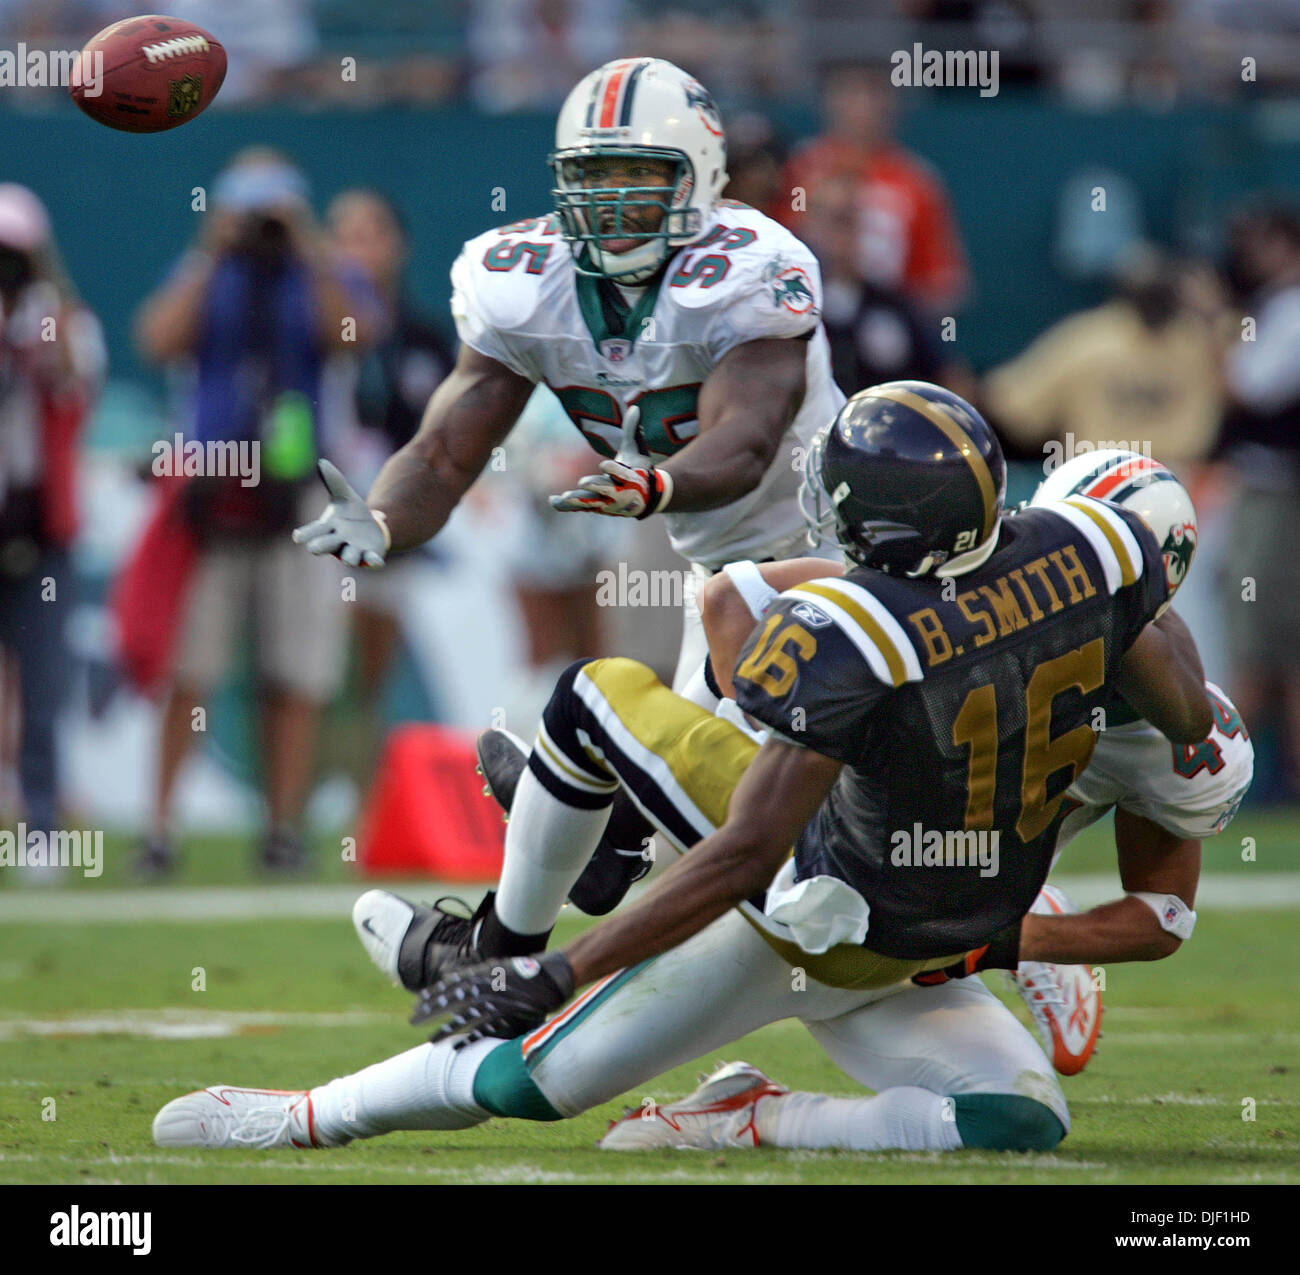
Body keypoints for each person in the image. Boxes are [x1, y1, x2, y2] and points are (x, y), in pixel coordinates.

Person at [153, 383, 1216, 1154]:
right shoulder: (1093, 561)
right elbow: (1155, 648)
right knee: (542, 1084)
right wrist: (1190, 739)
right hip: (865, 916)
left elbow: (750, 845)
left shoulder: (861, 626)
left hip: (851, 922)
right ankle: (325, 1094)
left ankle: (727, 1104)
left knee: (1015, 1119)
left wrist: (563, 969)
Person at [294, 56, 845, 696]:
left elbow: (748, 440)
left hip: (826, 550)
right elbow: (443, 454)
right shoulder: (525, 281)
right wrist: (384, 518)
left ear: (699, 176)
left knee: (762, 771)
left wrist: (658, 484)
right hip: (711, 563)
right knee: (659, 755)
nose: (612, 199)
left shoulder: (752, 266)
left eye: (639, 174)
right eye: (594, 175)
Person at [133, 149, 378, 875]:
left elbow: (354, 335)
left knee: (293, 670)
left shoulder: (319, 272)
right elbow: (156, 338)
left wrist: (311, 250)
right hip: (213, 487)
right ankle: (159, 828)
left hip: (296, 484)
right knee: (191, 665)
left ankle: (282, 828)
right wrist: (214, 250)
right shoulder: (211, 269)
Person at [0, 183, 105, 866]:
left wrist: (42, 315)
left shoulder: (61, 321)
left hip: (38, 532)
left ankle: (41, 827)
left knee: (41, 688)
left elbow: (78, 382)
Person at [780, 61, 969, 316]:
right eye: (850, 92)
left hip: (883, 322)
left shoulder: (915, 181)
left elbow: (941, 279)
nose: (862, 105)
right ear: (829, 101)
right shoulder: (801, 168)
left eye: (873, 92)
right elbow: (780, 237)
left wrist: (903, 322)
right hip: (805, 312)